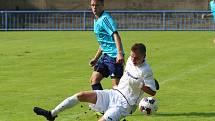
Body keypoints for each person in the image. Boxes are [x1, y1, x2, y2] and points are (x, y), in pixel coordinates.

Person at [33, 43, 159, 121]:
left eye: (137, 58)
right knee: (81, 95)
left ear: (144, 56)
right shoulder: (130, 61)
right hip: (114, 94)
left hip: (125, 105)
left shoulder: (146, 71)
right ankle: (52, 114)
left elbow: (152, 91)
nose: (133, 59)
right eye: (132, 56)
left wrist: (140, 85)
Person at [89, 0, 124, 90]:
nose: (94, 7)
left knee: (116, 87)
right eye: (92, 5)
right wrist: (96, 58)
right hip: (105, 56)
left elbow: (116, 35)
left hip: (114, 56)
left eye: (97, 5)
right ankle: (100, 103)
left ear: (102, 6)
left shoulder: (105, 19)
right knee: (94, 80)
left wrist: (119, 53)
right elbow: (104, 42)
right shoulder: (96, 20)